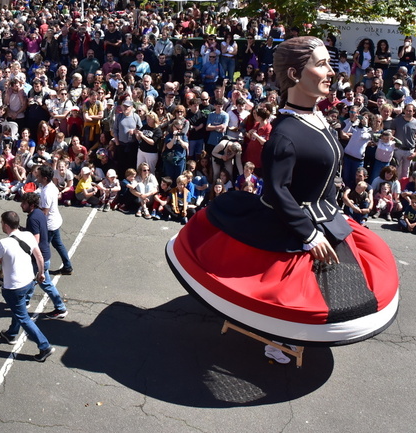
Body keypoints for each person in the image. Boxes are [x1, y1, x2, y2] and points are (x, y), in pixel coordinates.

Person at [166, 36, 399, 348]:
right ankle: (278, 338)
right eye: (322, 64)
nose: (332, 71)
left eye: (330, 63)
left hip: (325, 219)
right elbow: (278, 192)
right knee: (293, 302)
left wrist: (331, 218)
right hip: (292, 228)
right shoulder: (285, 135)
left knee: (346, 293)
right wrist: (309, 234)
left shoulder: (316, 117)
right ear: (294, 74)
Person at [0, 211, 55, 363]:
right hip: (29, 281)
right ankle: (11, 333)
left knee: (23, 317)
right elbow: (39, 256)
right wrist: (41, 273)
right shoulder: (27, 235)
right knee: (19, 309)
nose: (1, 225)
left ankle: (44, 346)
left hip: (13, 287)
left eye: (1, 223)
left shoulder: (3, 243)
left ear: (6, 225)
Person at [19, 191, 68, 319]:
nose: (21, 205)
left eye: (23, 203)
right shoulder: (39, 213)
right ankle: (26, 301)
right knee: (32, 279)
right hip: (44, 255)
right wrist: (24, 230)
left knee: (43, 283)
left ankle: (60, 308)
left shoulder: (32, 218)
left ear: (31, 205)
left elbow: (35, 241)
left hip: (39, 257)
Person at [36, 164, 72, 276]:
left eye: (39, 175)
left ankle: (41, 270)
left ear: (45, 178)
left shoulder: (46, 192)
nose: (37, 176)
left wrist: (34, 211)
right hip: (55, 221)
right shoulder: (51, 186)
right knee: (58, 244)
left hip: (49, 225)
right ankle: (67, 266)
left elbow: (44, 212)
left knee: (42, 248)